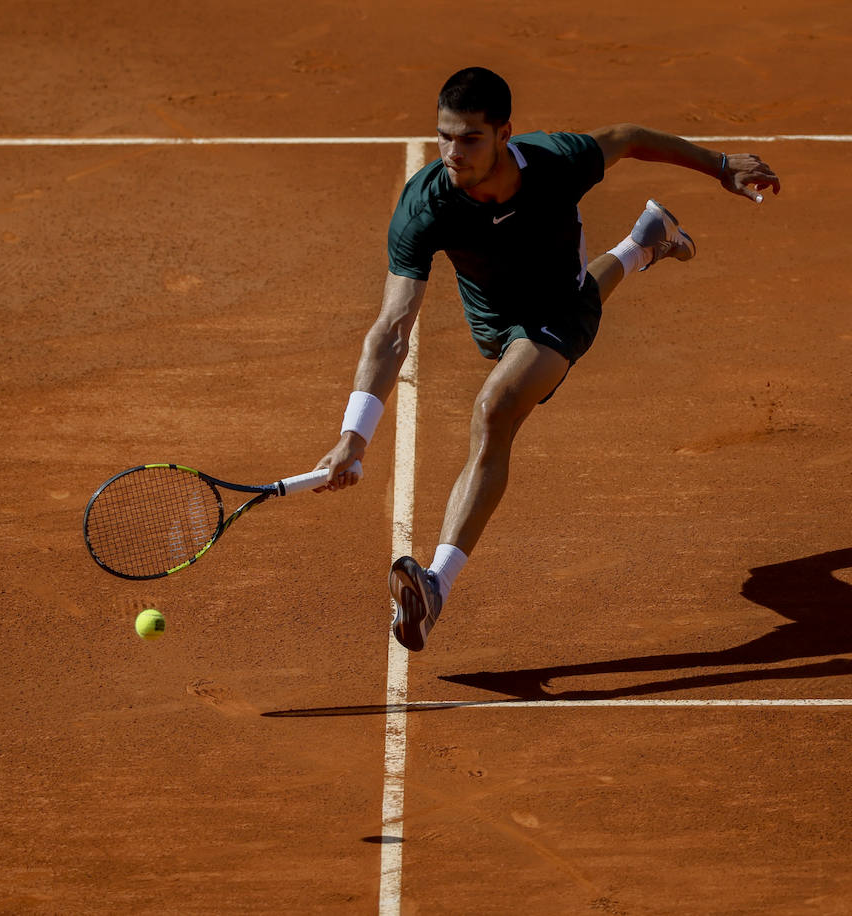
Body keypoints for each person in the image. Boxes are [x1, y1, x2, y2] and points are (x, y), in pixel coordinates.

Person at [315, 66, 781, 652]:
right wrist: (354, 437)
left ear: (505, 132)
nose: (451, 153)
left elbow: (630, 136)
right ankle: (643, 243)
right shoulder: (425, 206)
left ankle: (435, 585)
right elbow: (391, 328)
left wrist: (719, 165)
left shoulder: (557, 162)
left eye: (469, 139)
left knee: (494, 410)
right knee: (531, 340)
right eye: (443, 136)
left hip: (560, 307)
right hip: (492, 317)